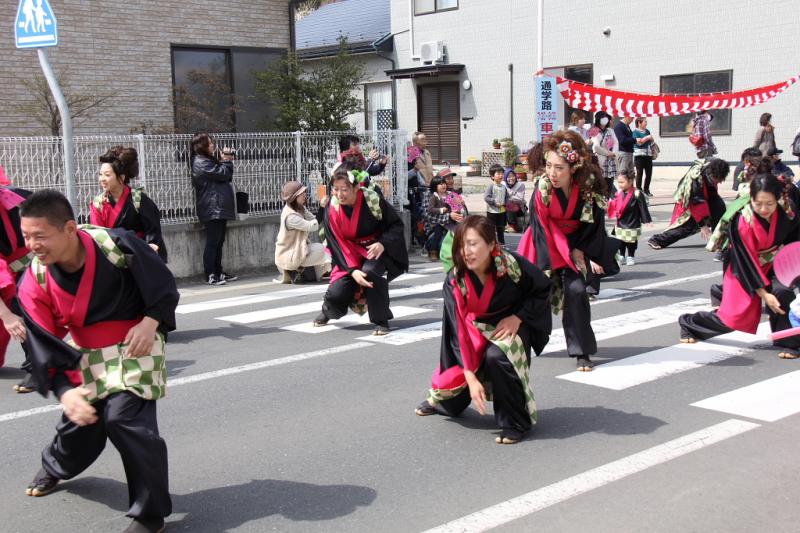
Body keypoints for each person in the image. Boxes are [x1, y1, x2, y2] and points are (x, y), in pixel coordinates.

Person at [17, 190, 179, 533]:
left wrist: (151, 322)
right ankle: (55, 464)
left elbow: (163, 284)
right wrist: (64, 390)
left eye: (40, 236)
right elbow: (40, 340)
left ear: (69, 229)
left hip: (136, 343)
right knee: (81, 422)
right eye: (26, 237)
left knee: (125, 420)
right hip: (84, 352)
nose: (32, 245)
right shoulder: (34, 278)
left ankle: (150, 515)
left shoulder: (116, 245)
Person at [414, 215, 552, 444]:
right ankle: (444, 403)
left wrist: (517, 317)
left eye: (472, 243)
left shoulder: (511, 266)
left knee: (497, 355)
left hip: (509, 323)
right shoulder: (455, 279)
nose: (466, 251)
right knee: (457, 382)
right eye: (462, 245)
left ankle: (515, 422)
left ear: (491, 245)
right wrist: (470, 376)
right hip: (471, 330)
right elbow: (457, 329)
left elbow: (542, 289)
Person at [517, 130, 618, 371]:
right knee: (530, 296)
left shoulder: (588, 187)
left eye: (559, 168)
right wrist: (551, 263)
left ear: (574, 167)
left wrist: (580, 249)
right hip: (543, 244)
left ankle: (582, 350)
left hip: (575, 244)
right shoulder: (543, 187)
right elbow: (540, 226)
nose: (552, 173)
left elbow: (594, 223)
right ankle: (522, 343)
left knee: (577, 291)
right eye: (549, 166)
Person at [678, 171, 800, 358]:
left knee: (783, 293)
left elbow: (794, 240)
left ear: (778, 199)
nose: (764, 209)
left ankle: (788, 342)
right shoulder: (742, 220)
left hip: (775, 261)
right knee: (735, 317)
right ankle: (690, 323)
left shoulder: (787, 211)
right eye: (758, 203)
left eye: (769, 204)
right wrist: (764, 294)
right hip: (743, 266)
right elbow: (745, 260)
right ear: (751, 198)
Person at [313, 166, 408, 335]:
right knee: (338, 291)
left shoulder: (372, 200)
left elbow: (396, 225)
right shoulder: (332, 208)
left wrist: (383, 243)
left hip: (374, 249)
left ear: (356, 188)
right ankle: (328, 311)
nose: (339, 194)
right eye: (335, 189)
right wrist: (352, 270)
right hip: (346, 253)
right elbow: (335, 242)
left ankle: (381, 320)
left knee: (371, 272)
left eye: (344, 189)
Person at [89, 146, 167, 262]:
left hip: (138, 259)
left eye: (107, 175)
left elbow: (152, 231)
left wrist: (150, 246)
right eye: (100, 174)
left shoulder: (138, 199)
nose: (102, 179)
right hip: (111, 260)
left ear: (122, 177)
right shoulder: (98, 204)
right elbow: (98, 237)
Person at [647, 158, 729, 250]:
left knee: (720, 207)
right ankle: (657, 240)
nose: (719, 182)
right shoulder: (696, 179)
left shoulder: (711, 169)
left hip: (706, 199)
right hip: (690, 204)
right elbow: (695, 203)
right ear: (712, 174)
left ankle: (718, 239)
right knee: (687, 228)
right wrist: (703, 226)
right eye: (718, 179)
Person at [0, 185, 35, 393]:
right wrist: (6, 315)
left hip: (36, 260)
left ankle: (37, 367)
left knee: (24, 307)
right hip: (6, 274)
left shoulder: (22, 200)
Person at [191, 133, 238, 286]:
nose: (213, 145)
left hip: (217, 207)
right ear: (202, 146)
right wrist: (226, 161)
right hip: (212, 208)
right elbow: (223, 174)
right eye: (210, 143)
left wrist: (225, 161)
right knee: (213, 242)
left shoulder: (208, 160)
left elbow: (226, 176)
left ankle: (218, 271)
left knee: (219, 241)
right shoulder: (200, 162)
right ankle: (210, 274)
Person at [274, 180, 330, 283]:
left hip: (297, 250)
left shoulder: (300, 208)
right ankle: (296, 270)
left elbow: (314, 219)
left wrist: (325, 207)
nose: (305, 195)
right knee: (321, 249)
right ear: (294, 197)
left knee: (323, 248)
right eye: (302, 194)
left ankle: (310, 272)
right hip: (288, 256)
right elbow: (312, 226)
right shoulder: (290, 216)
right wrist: (322, 207)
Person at [608, 171, 652, 266]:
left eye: (622, 182)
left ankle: (630, 256)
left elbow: (643, 208)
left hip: (632, 221)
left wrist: (647, 220)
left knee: (631, 241)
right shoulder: (618, 192)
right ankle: (622, 256)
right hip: (621, 221)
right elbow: (615, 204)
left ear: (630, 181)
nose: (620, 185)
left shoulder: (637, 193)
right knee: (620, 240)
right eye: (618, 182)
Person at [424, 176, 463, 261]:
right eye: (440, 184)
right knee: (437, 234)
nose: (443, 185)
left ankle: (458, 252)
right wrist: (443, 212)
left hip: (450, 223)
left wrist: (459, 205)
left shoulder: (450, 194)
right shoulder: (433, 196)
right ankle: (433, 251)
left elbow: (457, 208)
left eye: (444, 183)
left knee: (458, 232)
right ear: (435, 186)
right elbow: (429, 212)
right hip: (438, 223)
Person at [589, 110, 619, 196]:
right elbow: (596, 147)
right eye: (603, 118)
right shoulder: (594, 130)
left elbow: (616, 143)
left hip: (611, 162)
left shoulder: (610, 130)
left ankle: (607, 202)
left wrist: (614, 153)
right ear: (598, 119)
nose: (605, 120)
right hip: (601, 162)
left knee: (609, 185)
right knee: (600, 186)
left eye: (606, 118)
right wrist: (608, 153)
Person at [484, 164, 507, 245]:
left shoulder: (503, 186)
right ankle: (491, 244)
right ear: (492, 176)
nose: (501, 175)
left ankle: (502, 244)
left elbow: (506, 197)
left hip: (501, 211)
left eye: (502, 173)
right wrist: (494, 203)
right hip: (492, 212)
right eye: (498, 173)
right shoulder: (491, 186)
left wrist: (506, 203)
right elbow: (486, 197)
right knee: (491, 229)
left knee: (500, 229)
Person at [632, 117, 655, 196]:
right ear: (639, 123)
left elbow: (651, 141)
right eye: (645, 122)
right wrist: (648, 137)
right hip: (639, 156)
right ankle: (639, 190)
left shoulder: (647, 131)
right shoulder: (635, 132)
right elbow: (639, 143)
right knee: (639, 173)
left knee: (649, 173)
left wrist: (651, 139)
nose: (646, 123)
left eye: (646, 122)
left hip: (648, 155)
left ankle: (646, 190)